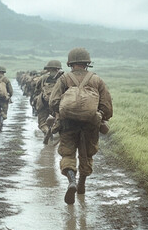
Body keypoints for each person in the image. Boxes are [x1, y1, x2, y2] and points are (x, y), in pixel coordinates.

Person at [49, 48, 112, 205]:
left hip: (68, 123)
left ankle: (72, 180)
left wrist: (62, 112)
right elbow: (107, 106)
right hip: (90, 123)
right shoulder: (97, 80)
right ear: (87, 63)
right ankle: (82, 181)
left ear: (70, 63)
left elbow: (53, 102)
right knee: (87, 154)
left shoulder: (64, 79)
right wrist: (100, 116)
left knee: (68, 154)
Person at [33, 60, 63, 143]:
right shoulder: (63, 78)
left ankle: (46, 131)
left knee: (42, 123)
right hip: (58, 104)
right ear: (58, 68)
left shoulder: (43, 78)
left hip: (44, 102)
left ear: (48, 69)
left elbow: (37, 89)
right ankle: (56, 130)